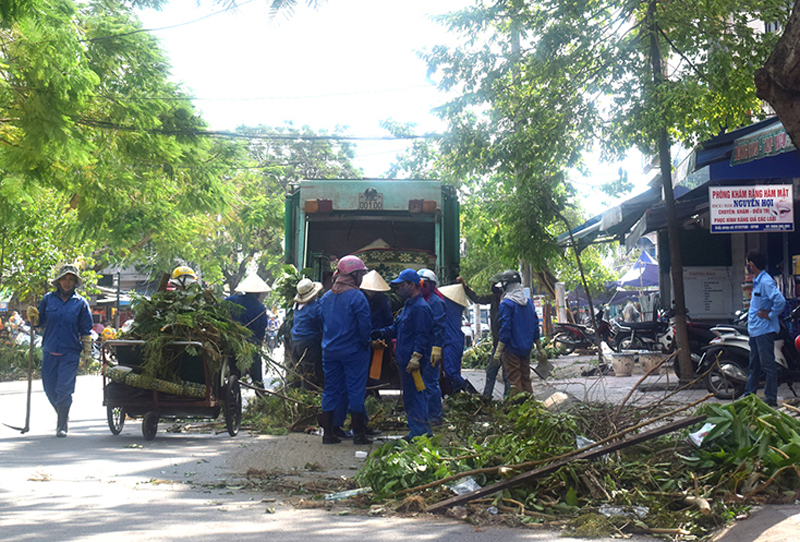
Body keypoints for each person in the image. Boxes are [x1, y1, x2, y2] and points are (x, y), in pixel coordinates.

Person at [27, 264, 93, 437]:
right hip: (49, 351)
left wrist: (87, 352)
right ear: (58, 281)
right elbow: (39, 321)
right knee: (50, 388)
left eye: (71, 279)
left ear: (75, 283)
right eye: (64, 279)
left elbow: (86, 330)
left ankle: (61, 424)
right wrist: (33, 316)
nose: (67, 282)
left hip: (70, 353)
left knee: (64, 389)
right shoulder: (48, 299)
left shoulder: (81, 304)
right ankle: (63, 413)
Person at [372, 268, 434, 440]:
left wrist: (416, 357)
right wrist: (379, 333)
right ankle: (420, 431)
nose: (398, 290)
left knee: (416, 396)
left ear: (412, 285)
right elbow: (397, 329)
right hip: (405, 361)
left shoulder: (421, 308)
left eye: (401, 285)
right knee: (411, 395)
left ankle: (419, 433)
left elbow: (423, 335)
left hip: (413, 363)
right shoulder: (408, 307)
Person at [318, 255, 372, 445]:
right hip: (353, 351)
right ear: (354, 275)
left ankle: (329, 433)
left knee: (331, 389)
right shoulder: (357, 297)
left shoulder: (325, 298)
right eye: (361, 274)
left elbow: (322, 322)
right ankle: (358, 434)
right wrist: (366, 342)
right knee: (355, 389)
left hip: (330, 351)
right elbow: (365, 327)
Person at [743, 250, 786, 407]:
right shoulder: (757, 281)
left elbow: (780, 301)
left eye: (748, 263)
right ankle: (749, 394)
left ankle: (770, 397)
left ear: (752, 265)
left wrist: (770, 314)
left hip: (764, 331)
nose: (747, 266)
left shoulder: (766, 281)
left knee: (768, 366)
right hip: (755, 331)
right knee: (754, 366)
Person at [458, 275, 507, 398]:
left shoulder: (509, 302)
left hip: (507, 346)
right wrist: (465, 287)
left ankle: (509, 401)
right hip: (497, 345)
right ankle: (486, 398)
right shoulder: (493, 298)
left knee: (508, 376)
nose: (493, 288)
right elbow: (477, 298)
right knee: (491, 372)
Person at [493, 270, 539, 396]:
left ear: (506, 286)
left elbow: (505, 329)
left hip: (512, 349)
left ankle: (518, 409)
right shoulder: (529, 303)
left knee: (514, 381)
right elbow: (535, 326)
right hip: (526, 349)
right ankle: (530, 408)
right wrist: (539, 347)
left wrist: (498, 351)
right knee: (525, 378)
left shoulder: (507, 304)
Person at [225, 274, 270, 393]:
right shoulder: (261, 309)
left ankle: (234, 391)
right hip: (252, 346)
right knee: (257, 375)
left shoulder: (231, 300)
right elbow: (261, 332)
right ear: (259, 294)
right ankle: (260, 396)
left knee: (234, 373)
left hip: (233, 343)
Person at [417, 268, 444, 424]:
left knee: (430, 382)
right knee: (421, 383)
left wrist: (436, 348)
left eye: (424, 284)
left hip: (431, 348)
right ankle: (425, 413)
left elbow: (439, 327)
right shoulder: (422, 301)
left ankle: (435, 415)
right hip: (422, 348)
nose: (421, 287)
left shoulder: (436, 303)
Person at [291, 277, 324, 389]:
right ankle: (308, 395)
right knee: (310, 373)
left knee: (299, 372)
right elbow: (323, 321)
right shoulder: (315, 308)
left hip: (295, 342)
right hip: (308, 343)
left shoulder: (297, 307)